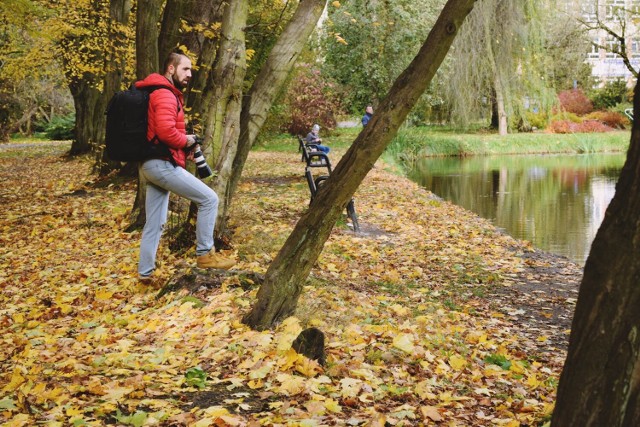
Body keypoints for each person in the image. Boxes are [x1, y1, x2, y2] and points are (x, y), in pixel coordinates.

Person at [137, 52, 235, 282]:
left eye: (191, 70)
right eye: (185, 69)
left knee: (155, 223)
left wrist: (183, 148)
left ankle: (145, 273)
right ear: (171, 69)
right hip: (161, 165)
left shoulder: (157, 92)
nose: (190, 74)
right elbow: (165, 132)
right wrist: (187, 141)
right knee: (209, 199)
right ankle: (205, 255)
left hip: (150, 165)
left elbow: (160, 134)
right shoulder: (165, 94)